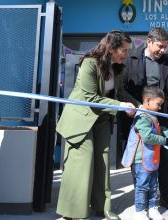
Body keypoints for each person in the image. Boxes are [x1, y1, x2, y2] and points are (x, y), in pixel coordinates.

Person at [56, 30, 139, 220]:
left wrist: (139, 105)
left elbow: (119, 94)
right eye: (124, 50)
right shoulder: (90, 63)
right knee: (82, 163)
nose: (126, 54)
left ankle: (104, 206)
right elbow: (89, 97)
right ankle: (74, 211)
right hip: (80, 119)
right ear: (112, 48)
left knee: (102, 163)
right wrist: (120, 106)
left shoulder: (118, 69)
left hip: (101, 119)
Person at [122, 27, 168, 210]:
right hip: (137, 117)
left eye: (165, 47)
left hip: (161, 116)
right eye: (159, 46)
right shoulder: (130, 60)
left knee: (163, 159)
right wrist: (135, 106)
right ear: (149, 42)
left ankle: (164, 196)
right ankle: (142, 198)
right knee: (139, 160)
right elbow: (122, 89)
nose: (163, 50)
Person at [121, 86, 168, 220]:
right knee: (142, 186)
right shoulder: (142, 117)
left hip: (151, 158)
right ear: (147, 100)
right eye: (158, 104)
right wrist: (163, 140)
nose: (160, 108)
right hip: (141, 159)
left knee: (153, 185)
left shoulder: (151, 116)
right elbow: (147, 137)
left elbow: (156, 128)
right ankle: (139, 211)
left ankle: (152, 208)